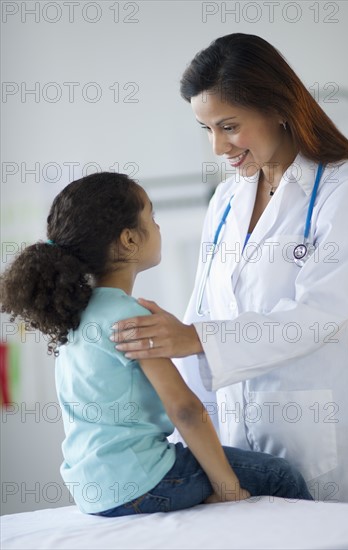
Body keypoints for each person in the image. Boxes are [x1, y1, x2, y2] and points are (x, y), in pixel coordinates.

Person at [111, 33, 348, 506]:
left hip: (324, 439)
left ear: (277, 108)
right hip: (240, 436)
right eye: (207, 130)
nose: (219, 146)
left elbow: (319, 315)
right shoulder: (226, 200)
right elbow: (203, 308)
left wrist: (196, 337)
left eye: (229, 126)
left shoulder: (346, 189)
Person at [0, 172, 312, 516]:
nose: (158, 227)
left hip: (95, 492)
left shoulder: (76, 314)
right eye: (152, 216)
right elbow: (186, 410)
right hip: (145, 481)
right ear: (130, 239)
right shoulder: (130, 317)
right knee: (280, 476)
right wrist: (228, 488)